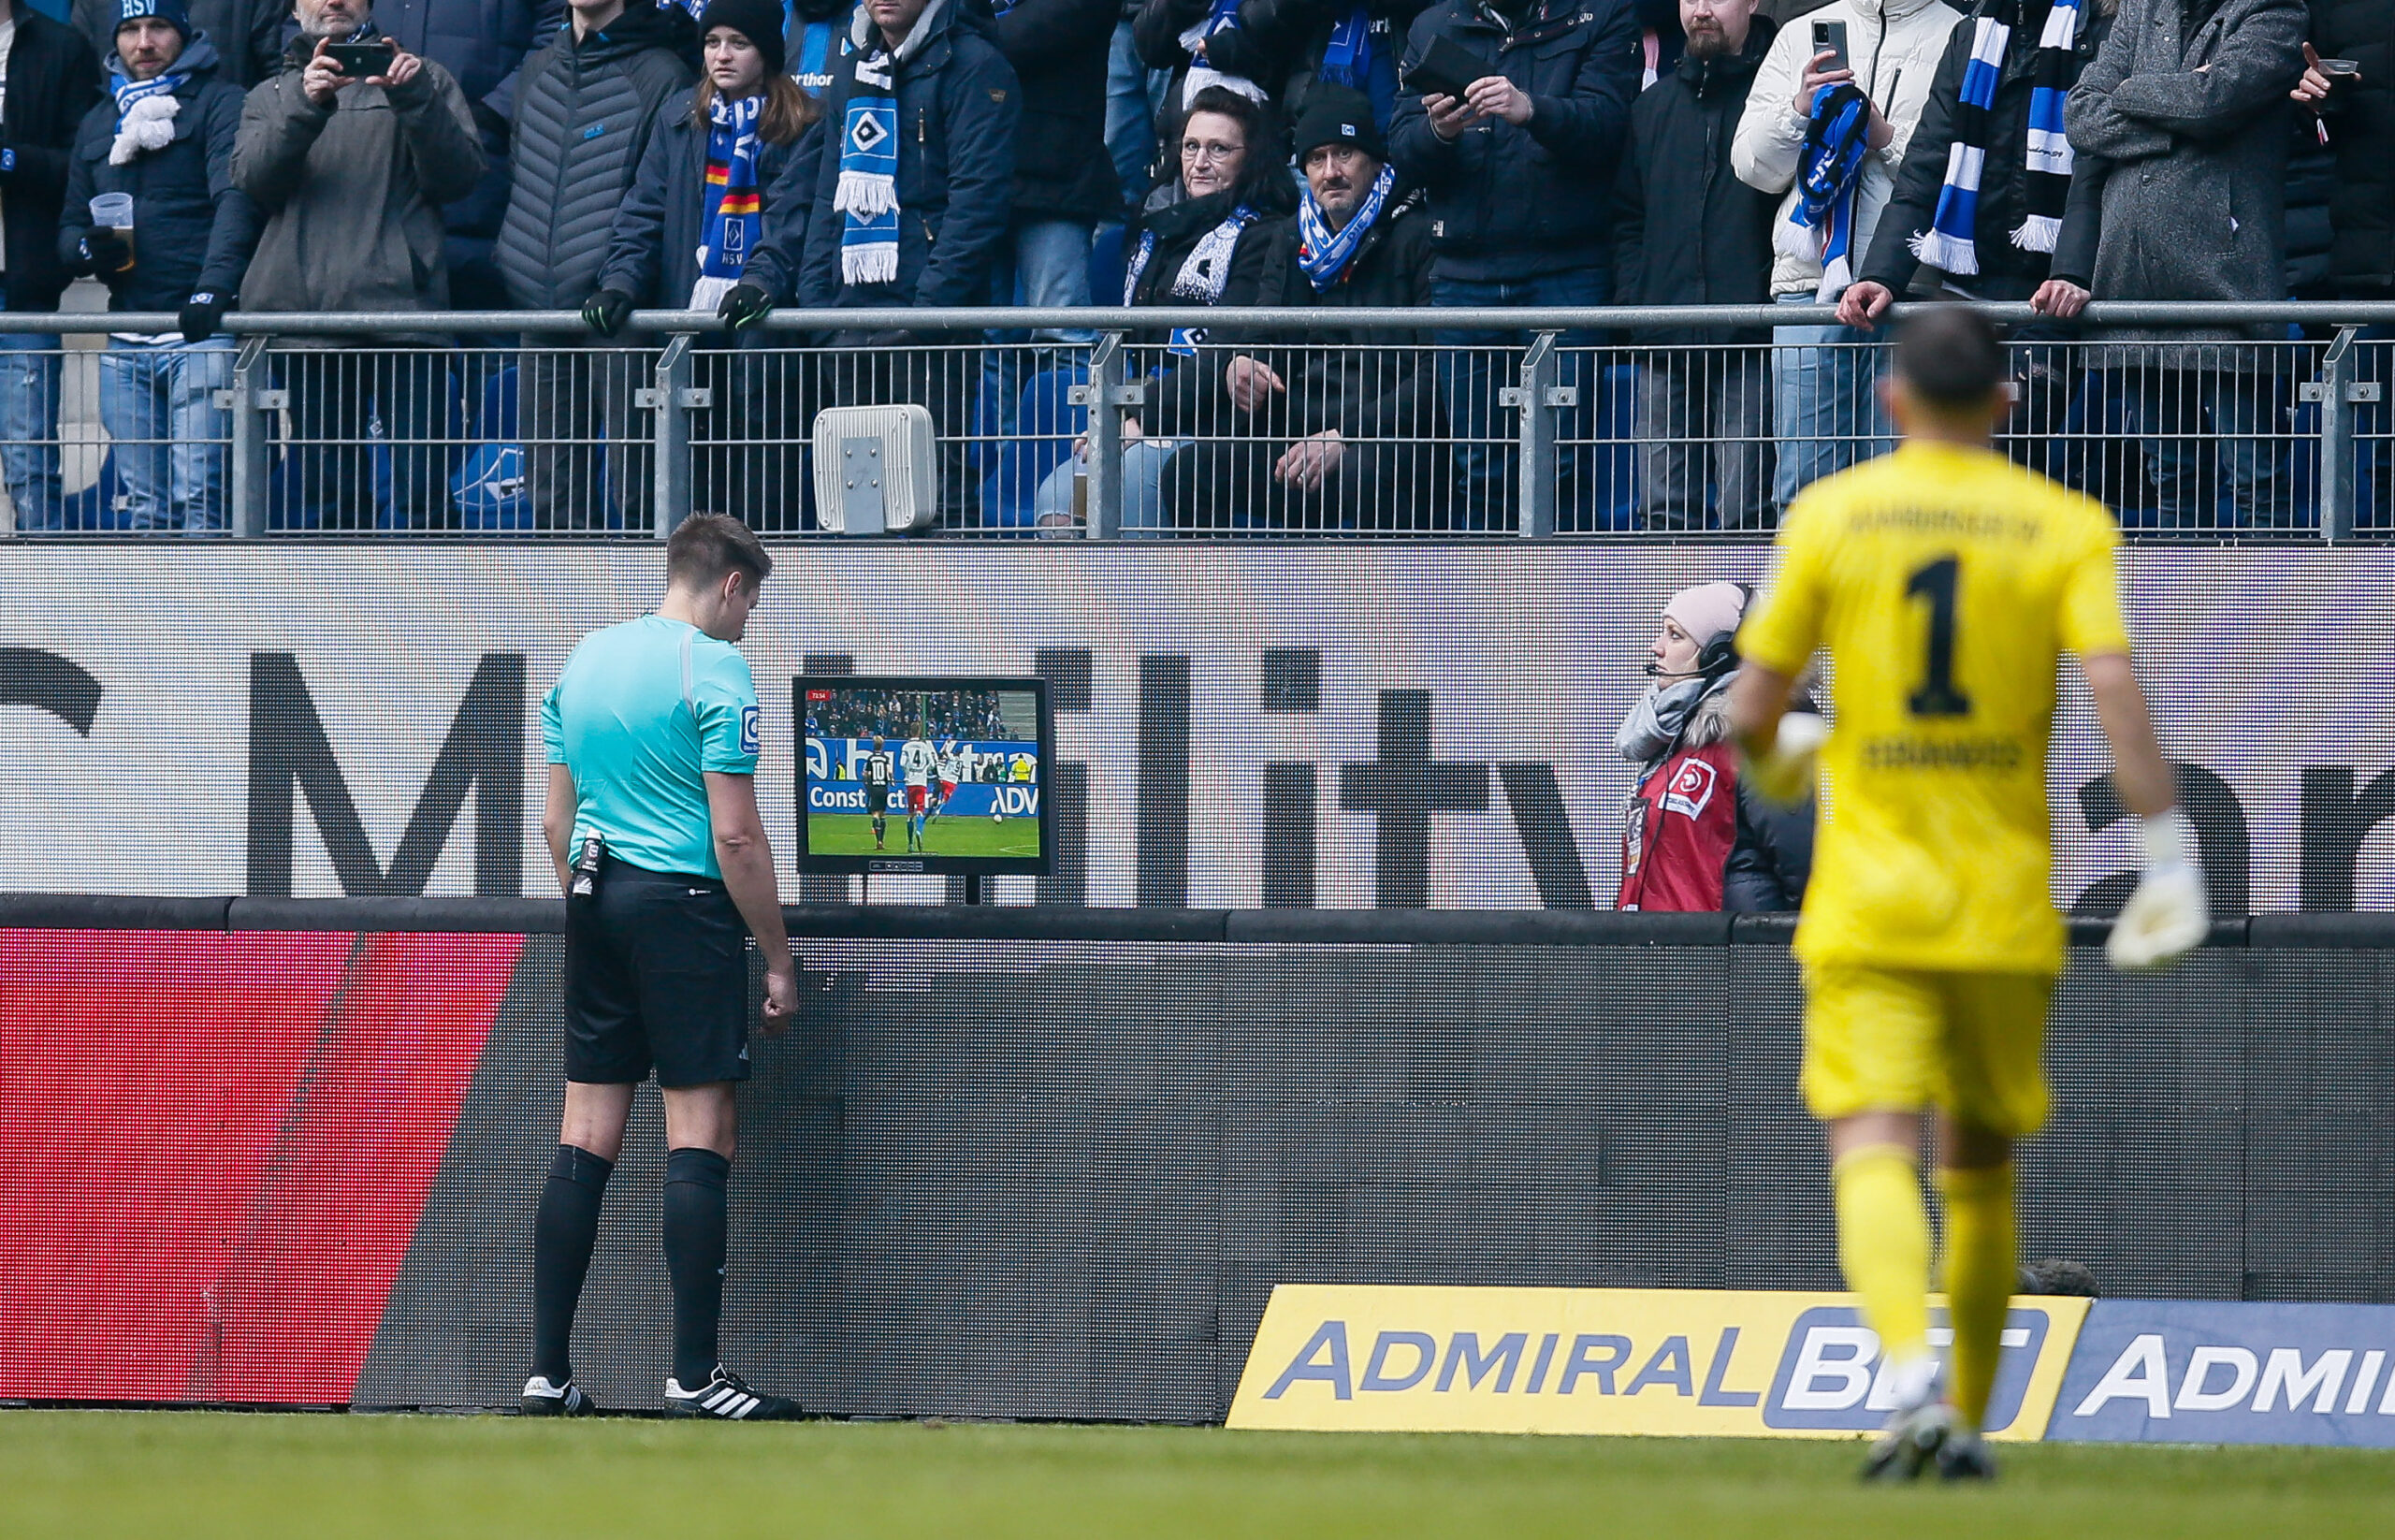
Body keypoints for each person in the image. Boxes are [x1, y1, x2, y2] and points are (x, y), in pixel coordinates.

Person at [1725, 308, 2209, 1481]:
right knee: (1981, 1171)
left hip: (1870, 899)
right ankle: (1971, 1414)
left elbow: (1746, 714)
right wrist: (2168, 851)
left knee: (1871, 1142)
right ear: (2007, 402)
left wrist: (1787, 747)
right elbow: (2113, 694)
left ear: (1889, 402)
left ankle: (1906, 1376)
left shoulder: (1831, 515)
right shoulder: (2063, 524)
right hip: (1999, 904)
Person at [529, 513, 803, 1423]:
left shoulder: (587, 656)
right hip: (683, 910)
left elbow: (553, 825)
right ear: (729, 584)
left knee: (585, 1130)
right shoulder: (715, 667)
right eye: (750, 602)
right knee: (700, 1127)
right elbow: (736, 833)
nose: (748, 621)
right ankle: (693, 1376)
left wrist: (590, 900)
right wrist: (776, 956)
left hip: (592, 900)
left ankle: (547, 1373)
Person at [1386, 0, 1645, 529]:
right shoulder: (1433, 25)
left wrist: (1532, 109)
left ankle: (1561, 604)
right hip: (1463, 278)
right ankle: (1491, 606)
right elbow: (1400, 151)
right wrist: (1439, 132)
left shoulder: (1600, 13)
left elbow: (1611, 128)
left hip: (1567, 272)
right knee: (1477, 466)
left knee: (1562, 464)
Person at [232, 0, 486, 530]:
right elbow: (254, 184)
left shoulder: (422, 77)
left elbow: (460, 180)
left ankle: (432, 612)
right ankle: (340, 615)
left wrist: (413, 98)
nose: (334, 1)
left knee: (424, 502)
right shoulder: (271, 94)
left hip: (406, 321)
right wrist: (306, 103)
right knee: (331, 505)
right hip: (308, 324)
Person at [775, 0, 1020, 527]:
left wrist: (924, 313)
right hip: (849, 318)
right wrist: (819, 309)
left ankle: (947, 609)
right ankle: (865, 611)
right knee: (860, 511)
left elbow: (977, 202)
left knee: (932, 497)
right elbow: (827, 197)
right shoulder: (851, 67)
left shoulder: (976, 65)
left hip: (927, 326)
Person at [2063, 0, 2305, 528]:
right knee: (2169, 476)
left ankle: (2269, 608)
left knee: (2254, 478)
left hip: (2229, 279)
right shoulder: (2141, 9)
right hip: (2133, 276)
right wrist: (2182, 115)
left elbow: (2215, 100)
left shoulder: (2275, 10)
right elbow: (2080, 113)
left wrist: (2128, 91)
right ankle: (2183, 609)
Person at [1154, 85, 1439, 528]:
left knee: (1360, 477)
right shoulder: (1292, 236)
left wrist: (1347, 437)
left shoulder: (1418, 234)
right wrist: (1246, 363)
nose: (1331, 172)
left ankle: (1374, 597)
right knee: (1192, 471)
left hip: (1381, 437)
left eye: (1345, 154)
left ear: (1376, 161)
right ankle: (1214, 597)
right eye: (1317, 159)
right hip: (1297, 431)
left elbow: (1436, 374)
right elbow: (1262, 332)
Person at [587, 0, 815, 527]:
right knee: (693, 489)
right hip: (688, 323)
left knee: (759, 489)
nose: (722, 56)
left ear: (767, 53)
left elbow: (792, 220)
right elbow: (643, 210)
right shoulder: (679, 118)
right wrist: (619, 283)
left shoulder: (804, 123)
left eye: (739, 43)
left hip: (764, 335)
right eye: (712, 43)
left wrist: (761, 282)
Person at [1733, 0, 1960, 516]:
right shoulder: (1798, 34)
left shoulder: (1958, 33)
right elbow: (1751, 166)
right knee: (1806, 489)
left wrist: (1884, 138)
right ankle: (1810, 598)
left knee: (1906, 494)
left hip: (1913, 291)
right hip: (1808, 287)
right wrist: (1798, 112)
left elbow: (1966, 176)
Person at [1028, 83, 1290, 530]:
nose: (1200, 162)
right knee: (1058, 498)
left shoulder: (1265, 236)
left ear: (1251, 158)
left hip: (1213, 428)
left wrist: (1136, 418)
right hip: (1143, 415)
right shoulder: (1152, 231)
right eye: (1191, 146)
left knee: (1127, 489)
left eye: (1219, 149)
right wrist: (1121, 420)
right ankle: (1076, 602)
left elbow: (1226, 353)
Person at [57, 0, 261, 534]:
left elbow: (236, 201)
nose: (143, 43)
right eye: (129, 30)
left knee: (203, 500)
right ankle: (155, 618)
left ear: (184, 32)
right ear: (115, 40)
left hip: (201, 333)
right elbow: (69, 225)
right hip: (124, 339)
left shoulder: (222, 100)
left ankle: (215, 617)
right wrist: (85, 252)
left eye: (157, 27)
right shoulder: (101, 118)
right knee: (145, 508)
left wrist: (212, 289)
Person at [500, 0, 695, 530]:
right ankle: (560, 616)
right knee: (551, 507)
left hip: (621, 314)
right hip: (540, 313)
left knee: (638, 497)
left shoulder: (662, 73)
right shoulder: (538, 68)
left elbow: (659, 198)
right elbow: (523, 170)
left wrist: (620, 281)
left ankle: (645, 611)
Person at [1611, 0, 1779, 530]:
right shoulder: (1650, 107)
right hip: (1662, 335)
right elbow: (1627, 219)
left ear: (1753, 2)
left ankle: (1746, 617)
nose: (1701, 10)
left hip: (1751, 336)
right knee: (1662, 515)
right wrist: (1636, 305)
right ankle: (1669, 616)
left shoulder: (1775, 102)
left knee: (1744, 512)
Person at [1614, 580, 1816, 911]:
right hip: (1663, 953)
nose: (1657, 647)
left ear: (1719, 653)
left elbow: (1802, 864)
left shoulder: (1759, 743)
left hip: (1727, 955)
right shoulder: (1674, 745)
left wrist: (1766, 951)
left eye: (1674, 635)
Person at [0, 0, 99, 531]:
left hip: (22, 284)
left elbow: (84, 160)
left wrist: (13, 158)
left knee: (31, 461)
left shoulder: (60, 46)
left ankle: (46, 596)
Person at [900, 730, 936, 850]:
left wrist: (908, 772)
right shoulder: (924, 746)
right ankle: (919, 831)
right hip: (921, 781)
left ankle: (910, 844)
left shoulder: (906, 746)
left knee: (910, 813)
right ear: (920, 732)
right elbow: (932, 764)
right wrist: (924, 770)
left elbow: (902, 763)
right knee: (920, 810)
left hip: (910, 782)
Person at [862, 734, 894, 849]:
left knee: (875, 814)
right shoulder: (886, 759)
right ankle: (882, 841)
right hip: (883, 788)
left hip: (874, 788)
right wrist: (892, 781)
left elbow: (866, 774)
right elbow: (889, 772)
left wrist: (866, 783)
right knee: (883, 814)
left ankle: (878, 841)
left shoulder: (870, 759)